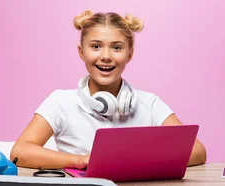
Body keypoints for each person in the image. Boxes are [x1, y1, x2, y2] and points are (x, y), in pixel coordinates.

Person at [10, 9, 206, 170]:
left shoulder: (150, 103)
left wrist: (137, 160)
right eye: (95, 46)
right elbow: (20, 152)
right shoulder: (61, 102)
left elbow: (197, 151)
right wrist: (80, 160)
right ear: (81, 52)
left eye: (117, 48)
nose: (105, 56)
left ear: (130, 54)